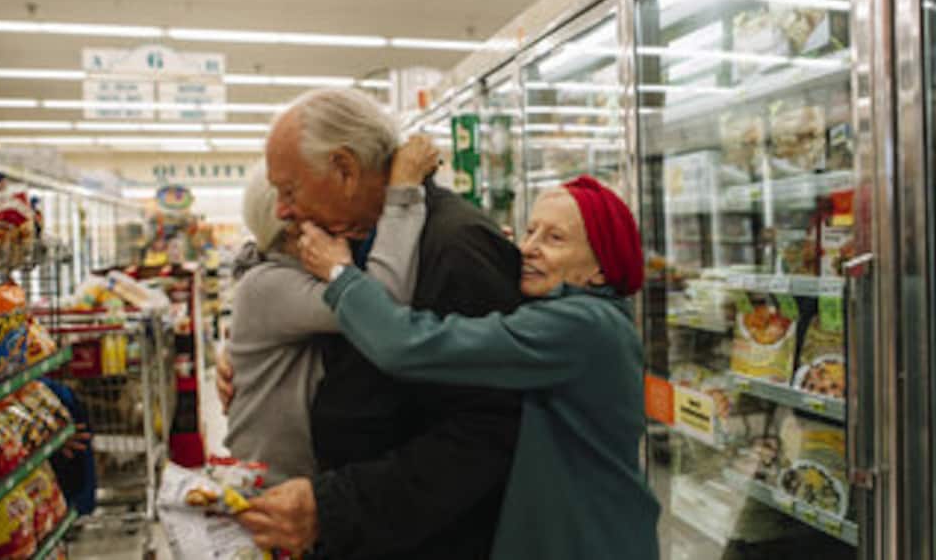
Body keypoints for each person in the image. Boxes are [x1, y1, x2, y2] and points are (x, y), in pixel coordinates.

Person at [218, 87, 524, 559]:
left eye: (289, 190)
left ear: (344, 169)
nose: (280, 210)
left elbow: (486, 434)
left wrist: (333, 507)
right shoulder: (358, 237)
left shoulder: (455, 247)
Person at [295, 175, 661, 560]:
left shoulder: (582, 327)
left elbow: (408, 346)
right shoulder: (583, 318)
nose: (529, 249)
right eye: (530, 232)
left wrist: (341, 275)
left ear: (600, 270)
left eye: (555, 239)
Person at [222, 137, 436, 482]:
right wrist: (402, 195)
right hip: (274, 490)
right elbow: (379, 306)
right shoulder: (270, 284)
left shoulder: (275, 277)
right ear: (293, 226)